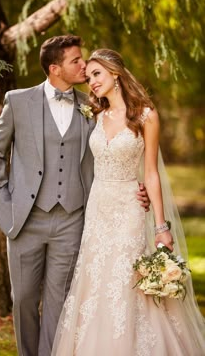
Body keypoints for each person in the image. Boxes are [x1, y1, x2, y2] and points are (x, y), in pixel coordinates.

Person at [0, 36, 150, 356]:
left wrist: (134, 186)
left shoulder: (92, 105)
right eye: (77, 61)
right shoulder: (18, 101)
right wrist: (2, 202)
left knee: (60, 301)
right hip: (25, 220)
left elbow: (120, 143)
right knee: (25, 301)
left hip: (73, 219)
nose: (85, 66)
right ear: (55, 68)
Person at [51, 49, 205, 355]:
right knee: (95, 280)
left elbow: (151, 173)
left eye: (97, 74)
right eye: (89, 76)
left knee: (126, 280)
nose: (90, 81)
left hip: (129, 209)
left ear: (115, 74)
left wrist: (162, 228)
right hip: (98, 209)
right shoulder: (94, 114)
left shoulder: (146, 116)